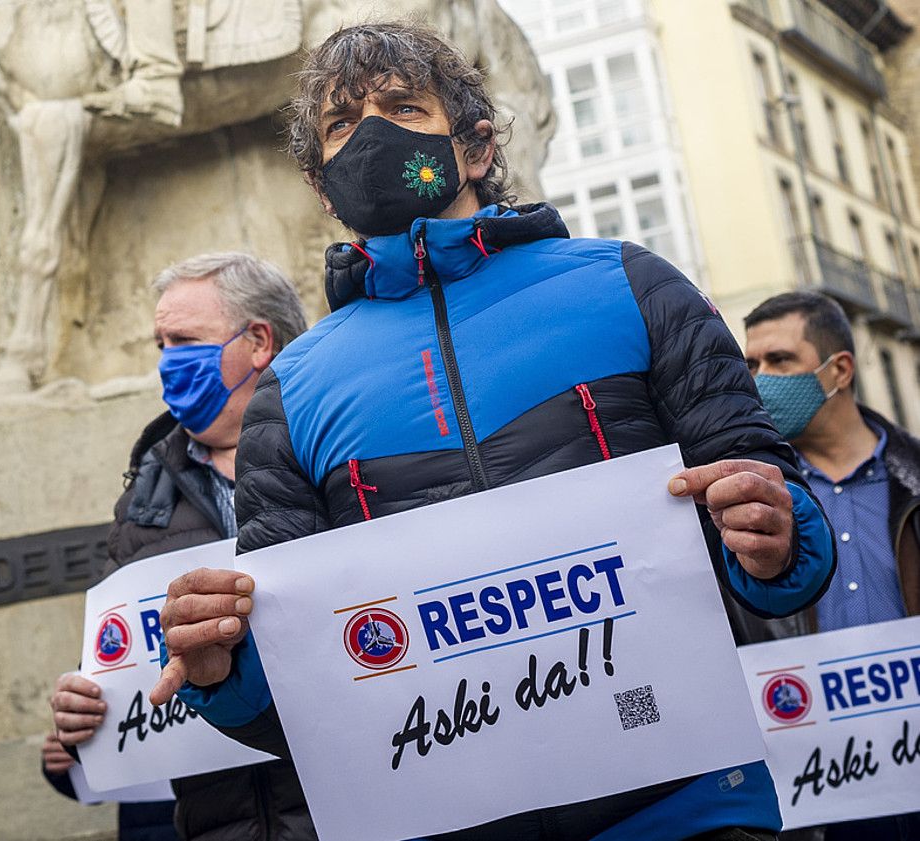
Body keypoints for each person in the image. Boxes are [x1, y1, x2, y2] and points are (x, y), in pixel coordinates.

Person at [150, 22, 837, 841]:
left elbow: (778, 518)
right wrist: (222, 668)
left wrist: (773, 535)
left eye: (403, 107)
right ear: (324, 188)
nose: (371, 133)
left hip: (685, 806)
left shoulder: (627, 283)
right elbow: (301, 689)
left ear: (474, 147)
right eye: (342, 124)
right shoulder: (291, 394)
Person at [45, 253, 313, 840]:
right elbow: (133, 672)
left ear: (260, 341)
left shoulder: (338, 454)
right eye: (160, 343)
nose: (167, 361)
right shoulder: (144, 499)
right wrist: (82, 720)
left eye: (184, 340)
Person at [743, 291, 920, 841]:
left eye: (779, 361)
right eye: (750, 365)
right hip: (820, 796)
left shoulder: (911, 480)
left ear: (838, 369)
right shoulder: (755, 503)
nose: (758, 378)